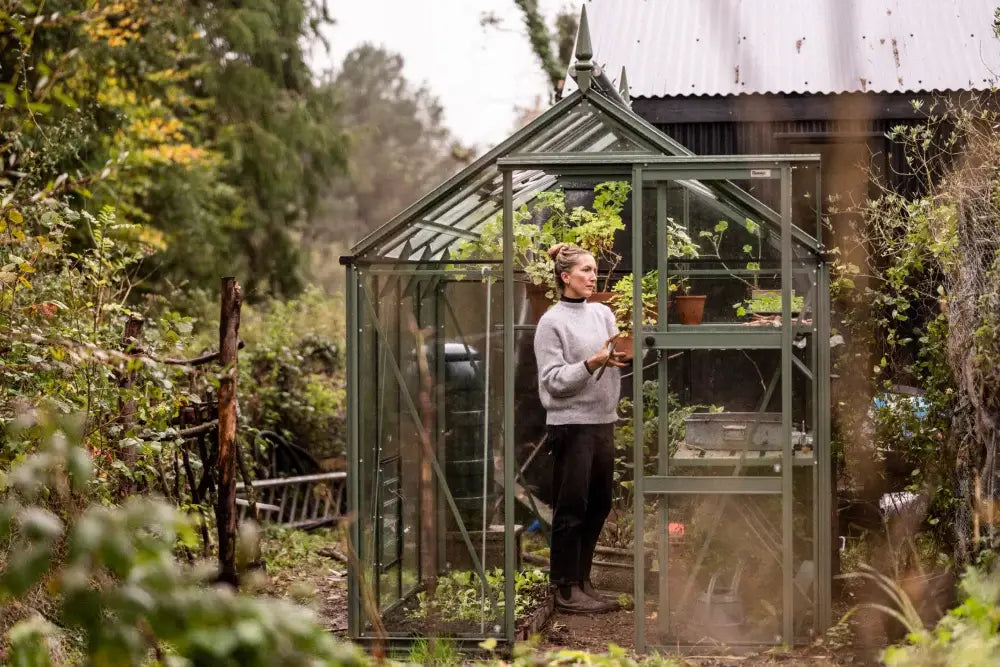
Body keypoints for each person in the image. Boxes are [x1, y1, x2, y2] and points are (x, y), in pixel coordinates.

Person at [533, 242, 626, 614]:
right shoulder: (551, 322)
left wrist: (617, 356)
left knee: (600, 504)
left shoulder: (602, 313)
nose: (592, 276)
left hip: (603, 421)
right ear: (565, 276)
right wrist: (591, 363)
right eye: (585, 271)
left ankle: (583, 580)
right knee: (571, 507)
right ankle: (565, 588)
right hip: (571, 425)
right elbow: (553, 381)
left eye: (594, 270)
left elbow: (614, 350)